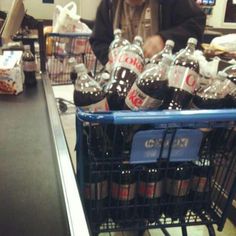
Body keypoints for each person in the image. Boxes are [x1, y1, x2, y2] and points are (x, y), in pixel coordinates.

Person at [89, 0, 206, 65]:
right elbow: (98, 40)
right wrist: (109, 57)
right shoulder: (108, 5)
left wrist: (164, 39)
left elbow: (196, 23)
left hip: (165, 76)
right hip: (121, 75)